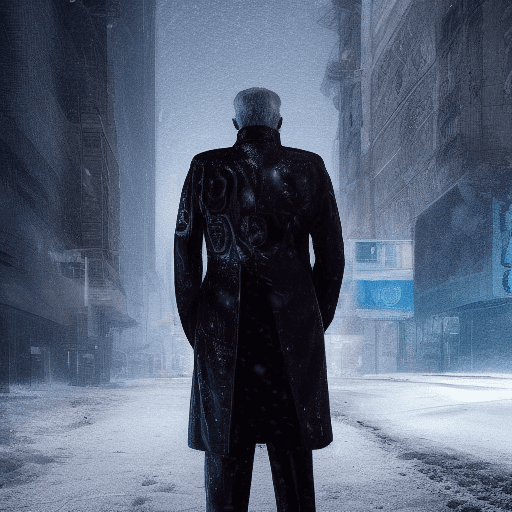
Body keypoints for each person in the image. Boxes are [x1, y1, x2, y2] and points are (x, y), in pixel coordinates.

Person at [174, 87, 344, 511]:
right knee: (294, 477)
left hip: (226, 336)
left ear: (235, 124)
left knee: (226, 476)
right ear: (279, 123)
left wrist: (198, 322)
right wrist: (311, 318)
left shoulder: (205, 167)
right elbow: (332, 255)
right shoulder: (308, 168)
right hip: (288, 338)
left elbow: (184, 249)